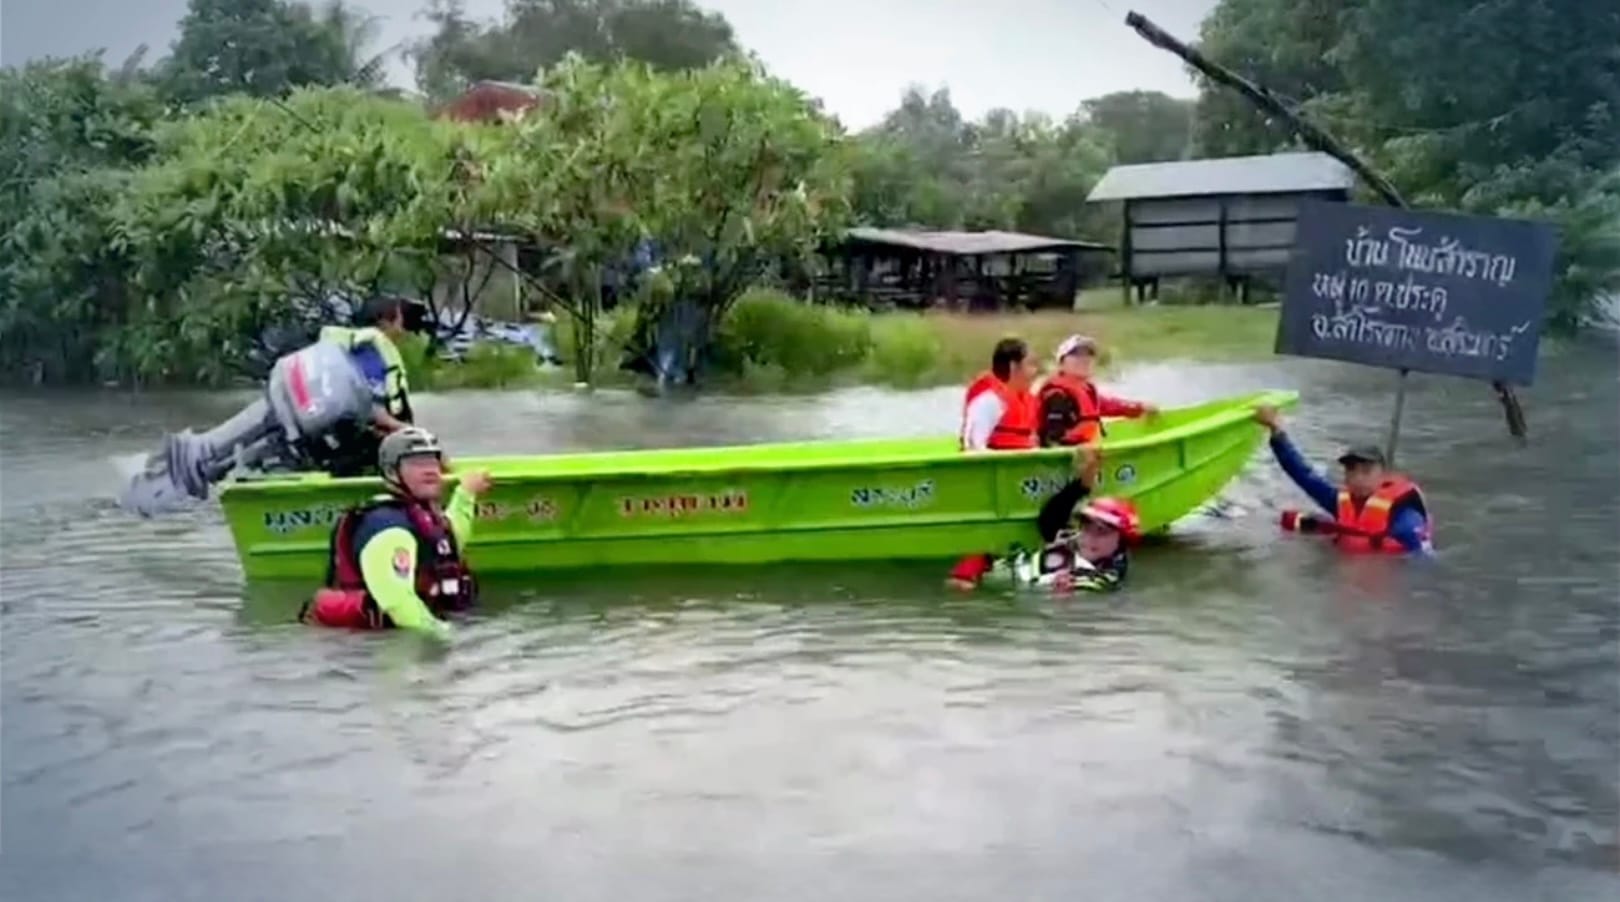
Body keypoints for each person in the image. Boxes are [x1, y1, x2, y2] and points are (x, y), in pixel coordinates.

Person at [299, 428, 492, 639]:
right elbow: (398, 603)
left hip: (417, 628)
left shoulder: (420, 514)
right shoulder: (388, 528)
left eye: (432, 461)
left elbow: (449, 542)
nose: (430, 470)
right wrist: (452, 638)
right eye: (416, 463)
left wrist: (465, 494)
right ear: (392, 472)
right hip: (371, 648)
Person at [947, 446, 1139, 593]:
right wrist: (1083, 484)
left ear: (1121, 541)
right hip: (987, 576)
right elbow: (1050, 518)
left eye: (1103, 532)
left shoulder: (1104, 579)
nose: (1092, 538)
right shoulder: (1069, 539)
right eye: (1088, 528)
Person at [1253, 405, 1433, 555]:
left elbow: (1421, 558)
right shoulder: (1338, 501)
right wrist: (1277, 432)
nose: (1358, 478)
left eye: (1366, 471)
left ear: (1383, 475)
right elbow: (1302, 474)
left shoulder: (1402, 511)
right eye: (1351, 471)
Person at [320, 295, 418, 436]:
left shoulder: (356, 349)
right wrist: (412, 431)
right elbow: (376, 414)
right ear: (385, 323)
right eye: (400, 322)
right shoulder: (371, 353)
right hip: (361, 441)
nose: (402, 331)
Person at [1038, 333, 1158, 447]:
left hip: (1089, 451)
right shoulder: (1057, 396)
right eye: (1076, 354)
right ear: (1062, 363)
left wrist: (1140, 407)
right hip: (1070, 460)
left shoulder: (1086, 390)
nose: (1084, 359)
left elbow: (1110, 405)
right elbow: (1052, 440)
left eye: (1089, 354)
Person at [960, 337, 1041, 451]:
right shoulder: (989, 400)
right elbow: (973, 446)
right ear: (1013, 366)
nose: (1035, 371)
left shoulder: (1028, 400)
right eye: (1030, 365)